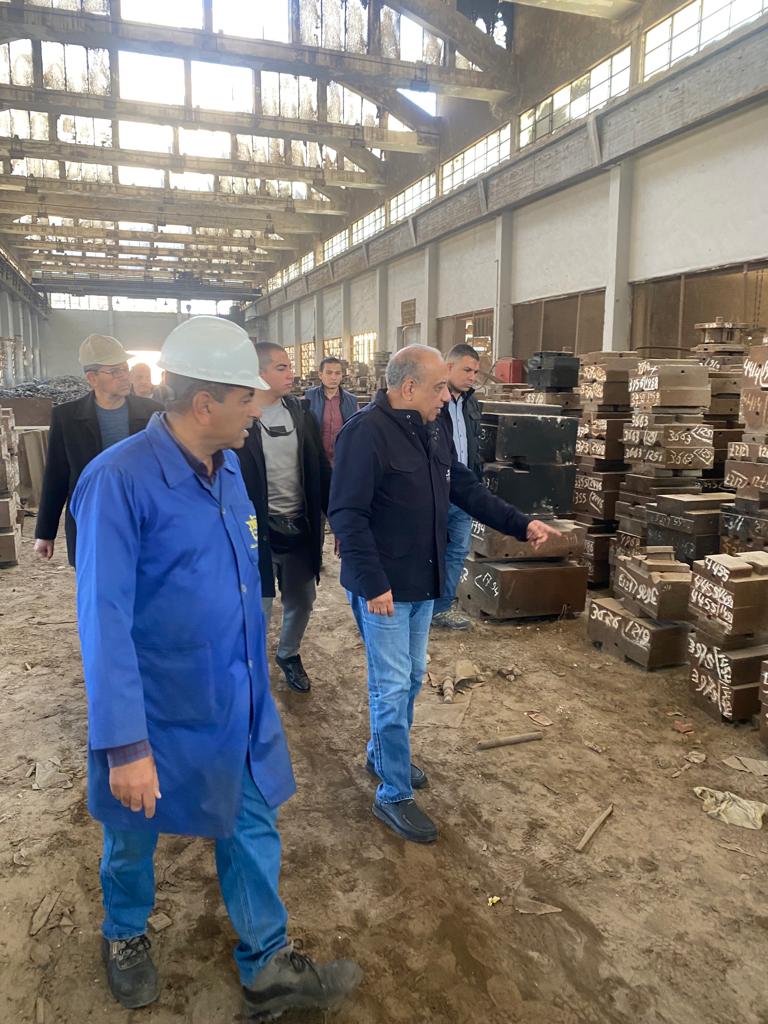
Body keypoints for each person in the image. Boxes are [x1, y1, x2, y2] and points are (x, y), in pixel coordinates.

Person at [69, 316, 362, 1017]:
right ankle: (125, 933)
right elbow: (102, 623)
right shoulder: (119, 482)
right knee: (132, 833)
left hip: (235, 694)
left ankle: (268, 963)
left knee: (250, 823)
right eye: (246, 398)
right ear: (205, 403)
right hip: (157, 705)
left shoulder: (227, 466)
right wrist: (125, 744)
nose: (258, 409)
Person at [329, 345, 560, 844]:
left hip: (421, 581)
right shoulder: (364, 434)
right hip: (384, 590)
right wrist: (373, 582)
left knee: (412, 678)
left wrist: (520, 524)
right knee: (391, 688)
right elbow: (347, 514)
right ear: (409, 386)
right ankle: (393, 793)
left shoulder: (430, 429)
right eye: (439, 387)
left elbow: (466, 488)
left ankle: (383, 754)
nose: (446, 395)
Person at [236, 343, 331, 694]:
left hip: (299, 527)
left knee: (302, 600)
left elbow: (320, 468)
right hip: (256, 531)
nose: (291, 373)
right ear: (259, 373)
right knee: (258, 606)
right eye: (281, 367)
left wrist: (337, 517)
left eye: (290, 366)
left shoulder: (301, 414)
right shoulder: (241, 419)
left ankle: (288, 654)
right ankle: (252, 667)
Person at [34, 335, 161, 566]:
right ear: (92, 378)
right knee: (95, 578)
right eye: (114, 371)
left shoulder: (153, 413)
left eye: (125, 368)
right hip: (90, 517)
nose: (124, 376)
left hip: (142, 516)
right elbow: (56, 475)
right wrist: (45, 532)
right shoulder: (67, 417)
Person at [431, 343, 483, 631]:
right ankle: (419, 605)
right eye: (467, 370)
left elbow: (474, 449)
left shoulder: (470, 404)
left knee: (457, 551)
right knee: (430, 550)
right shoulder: (432, 402)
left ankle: (442, 608)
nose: (472, 376)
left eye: (475, 371)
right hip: (435, 491)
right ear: (448, 367)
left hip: (462, 493)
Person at [304, 356, 358, 465]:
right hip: (316, 460)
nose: (333, 377)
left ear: (342, 376)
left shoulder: (352, 401)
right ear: (320, 375)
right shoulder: (308, 398)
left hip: (342, 460)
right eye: (329, 373)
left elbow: (357, 432)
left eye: (337, 373)